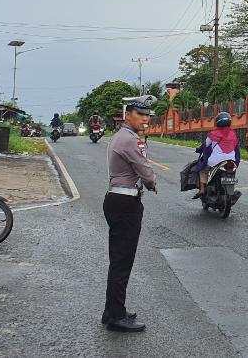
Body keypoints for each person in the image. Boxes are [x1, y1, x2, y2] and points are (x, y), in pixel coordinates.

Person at [102, 95, 158, 332]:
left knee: (119, 259)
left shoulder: (125, 136)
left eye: (148, 115)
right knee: (122, 261)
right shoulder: (128, 140)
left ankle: (112, 310)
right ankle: (116, 316)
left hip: (119, 200)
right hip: (125, 203)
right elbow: (143, 167)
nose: (146, 119)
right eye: (141, 114)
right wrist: (152, 182)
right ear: (128, 115)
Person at [192, 112, 241, 200]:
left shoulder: (214, 133)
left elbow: (205, 145)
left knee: (203, 170)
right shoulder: (233, 133)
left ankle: (202, 190)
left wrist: (198, 150)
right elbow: (236, 147)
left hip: (216, 161)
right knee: (232, 172)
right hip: (231, 160)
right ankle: (231, 189)